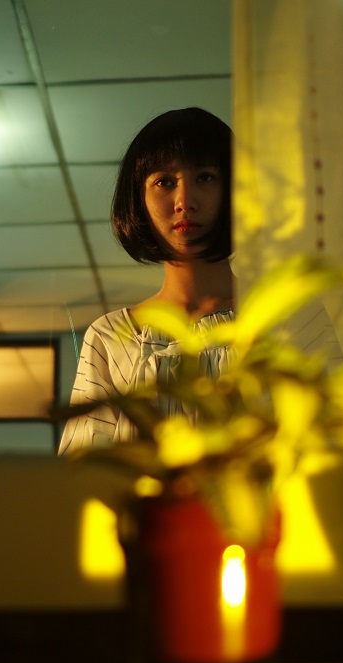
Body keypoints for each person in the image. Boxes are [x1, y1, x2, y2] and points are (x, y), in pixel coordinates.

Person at [58, 107, 235, 455]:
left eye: (205, 177)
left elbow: (336, 446)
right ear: (138, 198)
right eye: (165, 182)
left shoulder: (287, 316)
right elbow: (84, 470)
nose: (185, 201)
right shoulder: (111, 337)